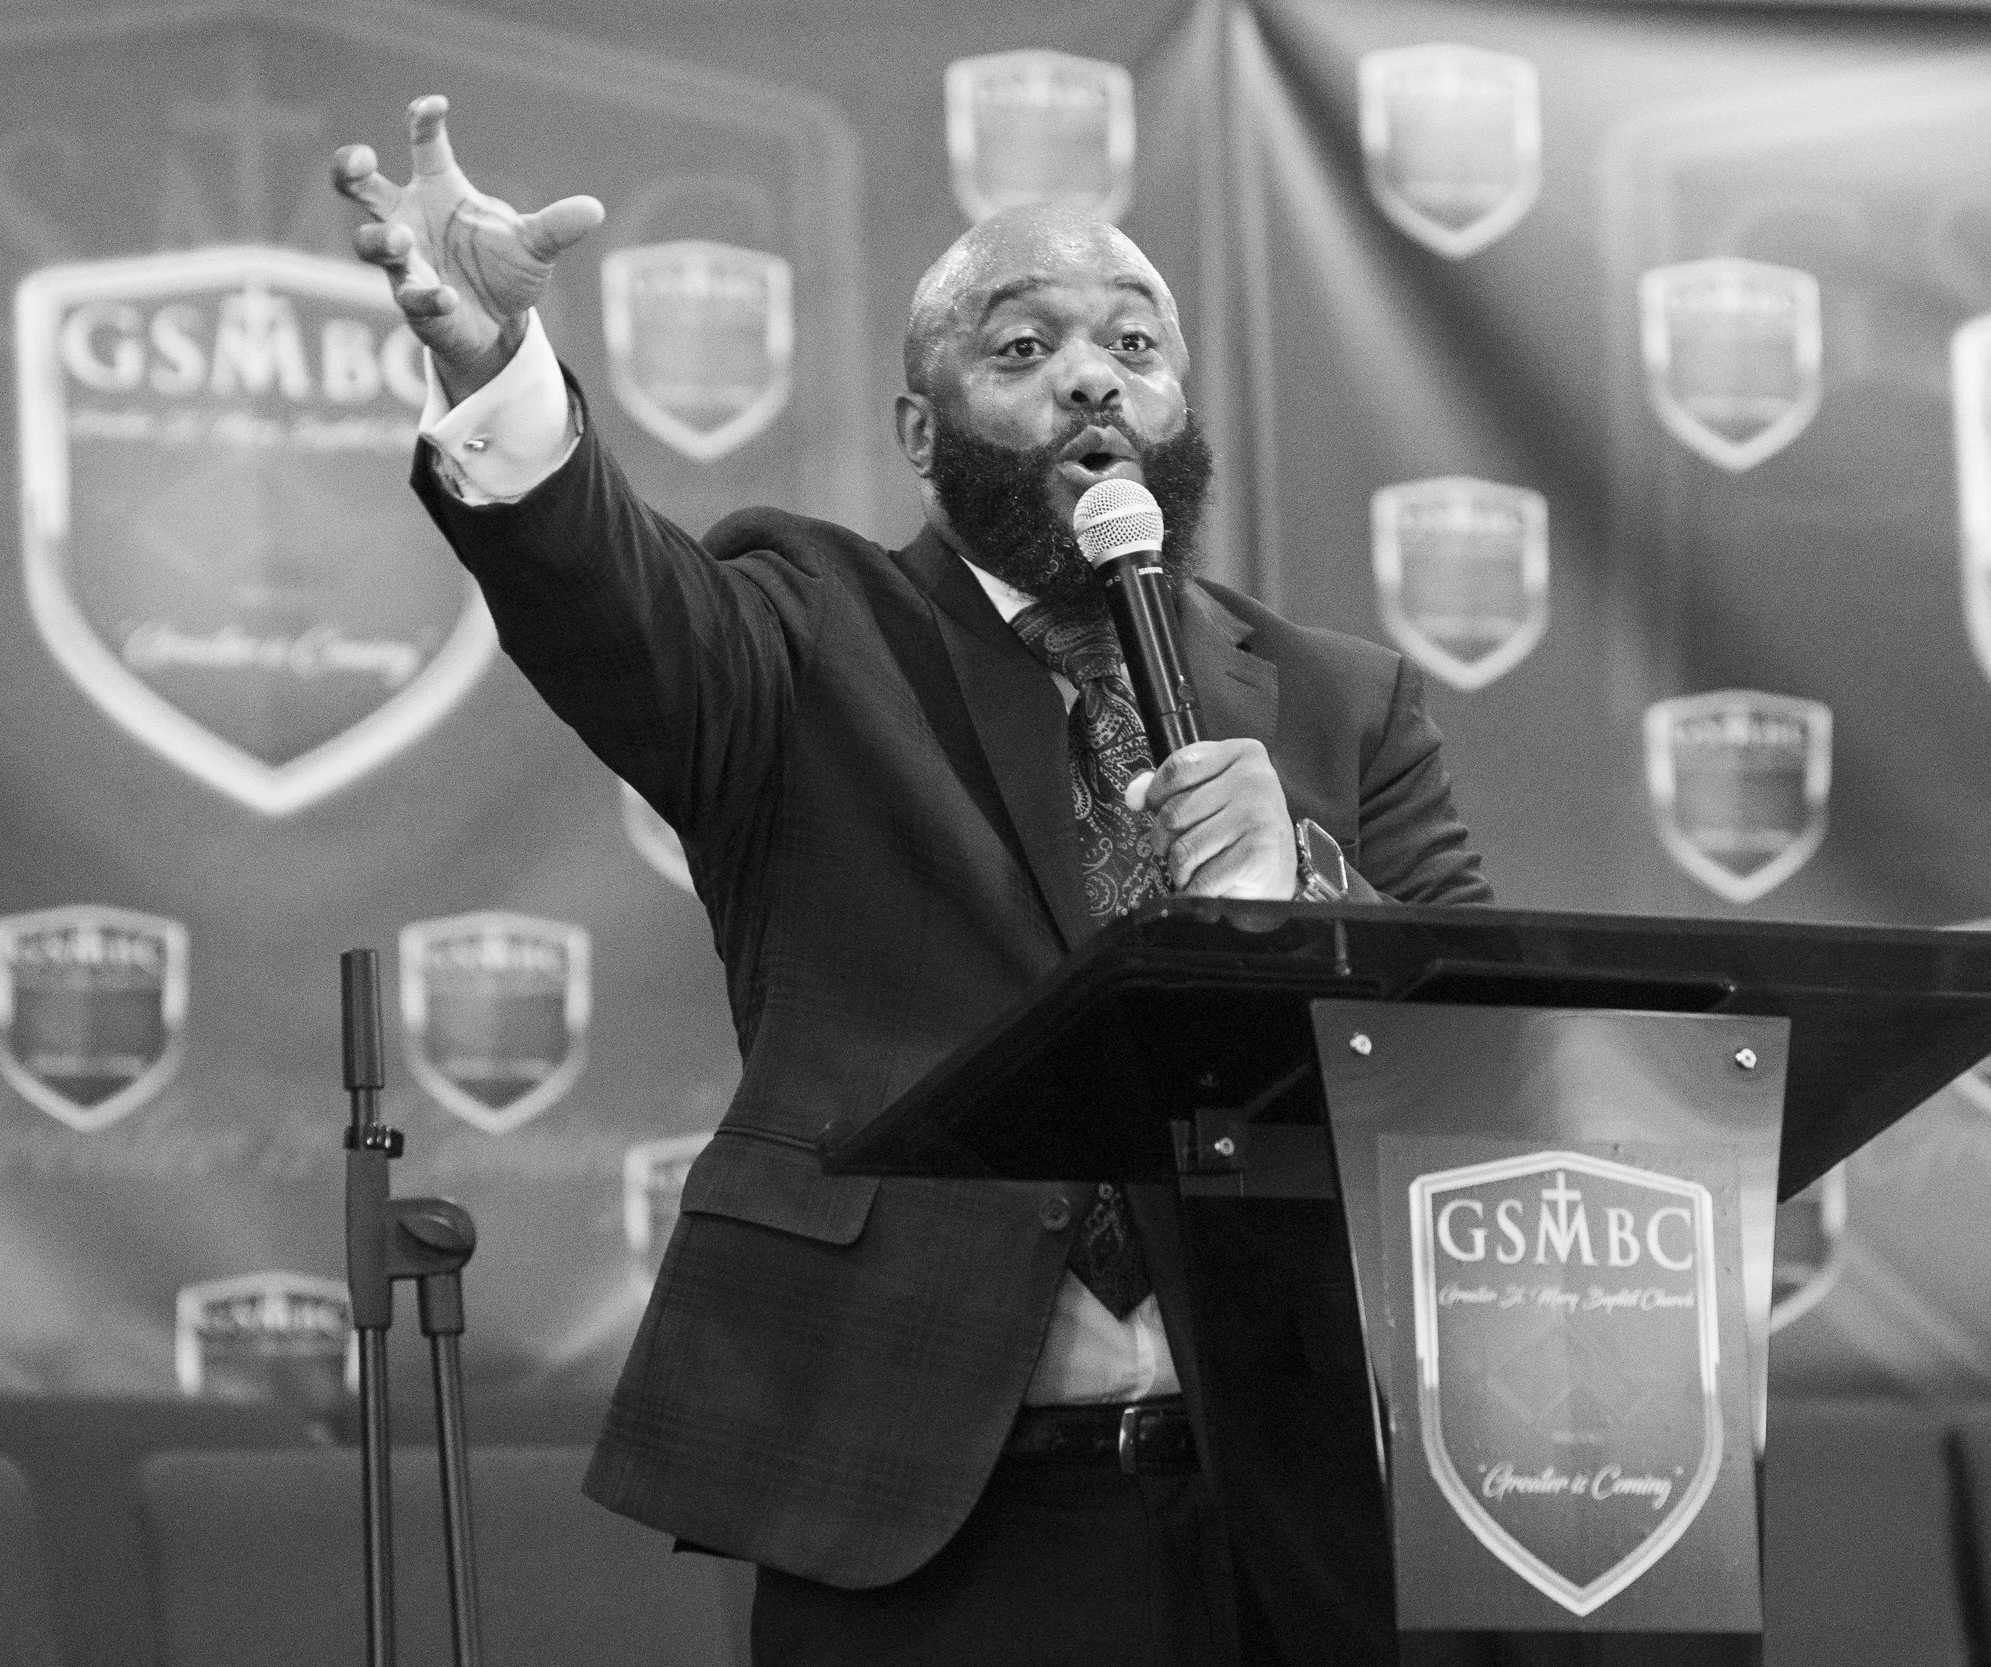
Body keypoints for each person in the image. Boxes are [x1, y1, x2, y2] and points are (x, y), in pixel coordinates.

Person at [333, 94, 1490, 1667]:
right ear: (921, 431)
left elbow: (1490, 1042)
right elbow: (618, 602)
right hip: (931, 1512)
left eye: (1134, 345)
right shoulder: (813, 628)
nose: (1093, 375)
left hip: (1288, 1517)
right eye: (1022, 348)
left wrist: (1313, 880)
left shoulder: (1340, 700)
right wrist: (497, 374)